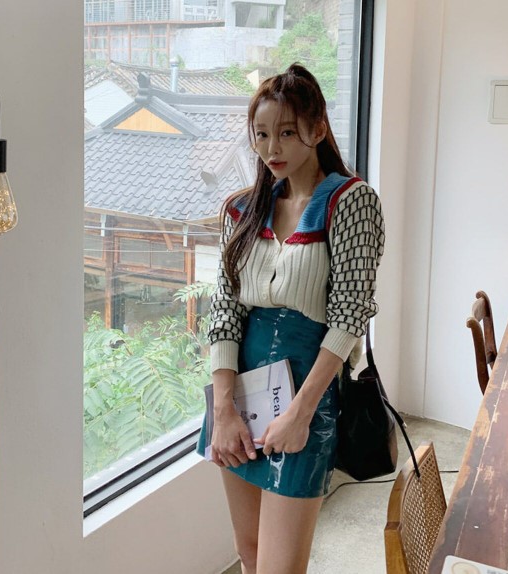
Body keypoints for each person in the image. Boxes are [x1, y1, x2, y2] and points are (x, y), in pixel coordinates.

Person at [197, 63, 385, 574]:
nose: (271, 147)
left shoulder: (351, 202)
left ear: (317, 129)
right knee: (251, 553)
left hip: (305, 394)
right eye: (261, 134)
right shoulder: (242, 209)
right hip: (240, 393)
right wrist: (223, 410)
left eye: (285, 132)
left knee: (281, 567)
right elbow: (225, 310)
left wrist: (301, 414)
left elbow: (349, 318)